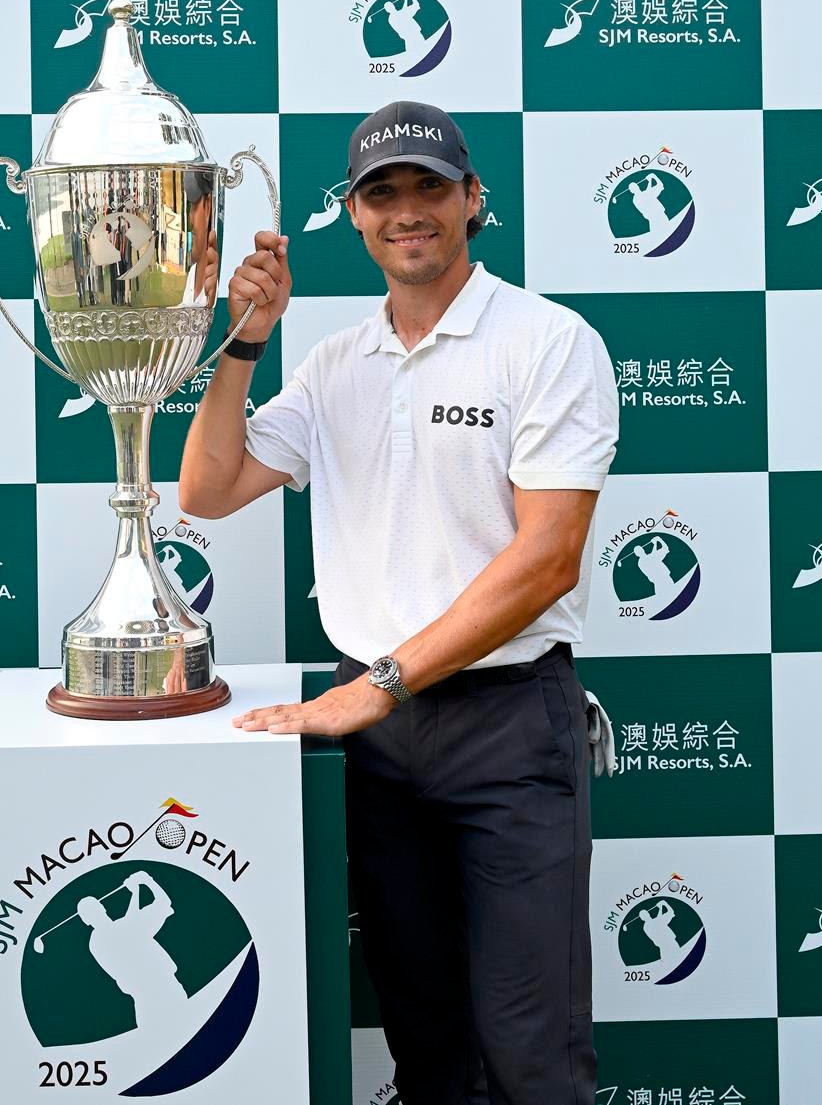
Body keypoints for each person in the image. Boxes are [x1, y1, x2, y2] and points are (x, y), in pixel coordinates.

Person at [179, 100, 618, 1104]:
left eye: (429, 187)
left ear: (472, 199)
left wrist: (378, 683)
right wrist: (244, 339)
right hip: (379, 746)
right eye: (382, 193)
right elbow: (206, 490)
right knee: (423, 1043)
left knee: (530, 1050)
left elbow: (547, 557)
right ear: (356, 215)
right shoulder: (336, 360)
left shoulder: (545, 340)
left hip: (505, 726)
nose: (406, 211)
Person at [77, 872, 188, 1029]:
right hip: (150, 998)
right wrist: (141, 886)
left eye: (95, 906)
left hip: (166, 987)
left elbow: (163, 902)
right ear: (86, 921)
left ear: (102, 907)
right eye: (91, 911)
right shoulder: (98, 942)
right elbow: (129, 927)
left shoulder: (119, 928)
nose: (96, 911)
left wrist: (144, 885)